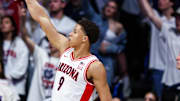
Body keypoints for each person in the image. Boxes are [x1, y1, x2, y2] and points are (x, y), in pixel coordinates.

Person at [25, 0, 112, 100]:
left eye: (74, 32)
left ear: (84, 39)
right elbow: (42, 18)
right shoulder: (65, 47)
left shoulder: (94, 66)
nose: (70, 34)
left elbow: (106, 98)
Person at [139, 0, 180, 100]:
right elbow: (151, 16)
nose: (177, 21)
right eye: (177, 18)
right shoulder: (169, 31)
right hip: (167, 77)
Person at [0, 15, 29, 101]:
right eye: (1, 23)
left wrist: (6, 76)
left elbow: (22, 67)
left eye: (6, 22)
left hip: (17, 88)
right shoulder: (0, 43)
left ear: (13, 27)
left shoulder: (20, 44)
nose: (3, 25)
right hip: (1, 87)